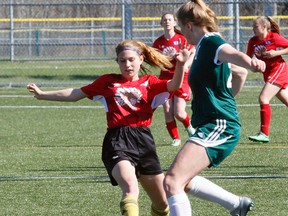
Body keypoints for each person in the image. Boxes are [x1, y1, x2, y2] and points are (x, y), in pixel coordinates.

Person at [27, 39, 193, 216]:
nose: (127, 64)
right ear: (117, 62)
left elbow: (173, 85)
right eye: (122, 61)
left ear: (141, 59)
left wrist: (181, 65)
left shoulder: (150, 82)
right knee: (130, 187)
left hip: (144, 141)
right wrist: (43, 94)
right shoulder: (107, 82)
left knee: (162, 205)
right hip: (117, 140)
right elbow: (76, 93)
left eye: (131, 59)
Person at [162, 1, 266, 216]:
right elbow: (239, 74)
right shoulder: (200, 48)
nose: (182, 34)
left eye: (181, 28)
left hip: (219, 125)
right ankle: (236, 204)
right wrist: (224, 99)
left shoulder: (210, 42)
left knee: (172, 181)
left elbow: (230, 53)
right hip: (214, 122)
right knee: (184, 181)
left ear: (189, 25)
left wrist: (249, 61)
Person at [153, 13, 196, 147]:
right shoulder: (158, 42)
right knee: (167, 109)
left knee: (179, 112)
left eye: (170, 19)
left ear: (174, 23)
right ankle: (175, 138)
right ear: (161, 23)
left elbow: (193, 51)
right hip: (165, 78)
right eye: (164, 20)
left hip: (181, 76)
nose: (167, 22)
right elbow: (155, 59)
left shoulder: (182, 38)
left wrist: (187, 64)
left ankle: (190, 128)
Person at [246, 16, 288, 143]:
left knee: (263, 98)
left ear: (264, 27)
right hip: (268, 73)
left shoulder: (273, 37)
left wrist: (276, 53)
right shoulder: (253, 41)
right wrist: (254, 61)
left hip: (279, 70)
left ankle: (264, 134)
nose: (253, 29)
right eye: (252, 26)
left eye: (256, 26)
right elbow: (248, 57)